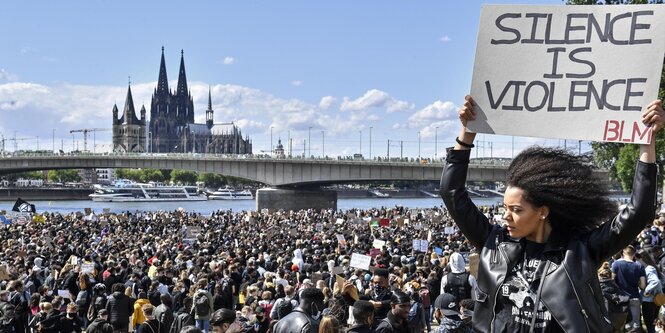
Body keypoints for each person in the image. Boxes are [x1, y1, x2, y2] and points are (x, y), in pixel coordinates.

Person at [440, 95, 663, 332]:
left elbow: (639, 212)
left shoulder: (579, 251)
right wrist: (466, 134)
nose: (506, 216)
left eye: (516, 210)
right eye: (505, 208)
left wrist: (647, 141)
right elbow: (452, 193)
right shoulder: (494, 244)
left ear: (542, 212)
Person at [612, 245, 646, 332]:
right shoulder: (639, 266)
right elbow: (642, 286)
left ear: (623, 253)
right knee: (635, 324)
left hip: (620, 298)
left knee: (619, 325)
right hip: (634, 297)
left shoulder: (616, 264)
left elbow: (612, 281)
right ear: (634, 254)